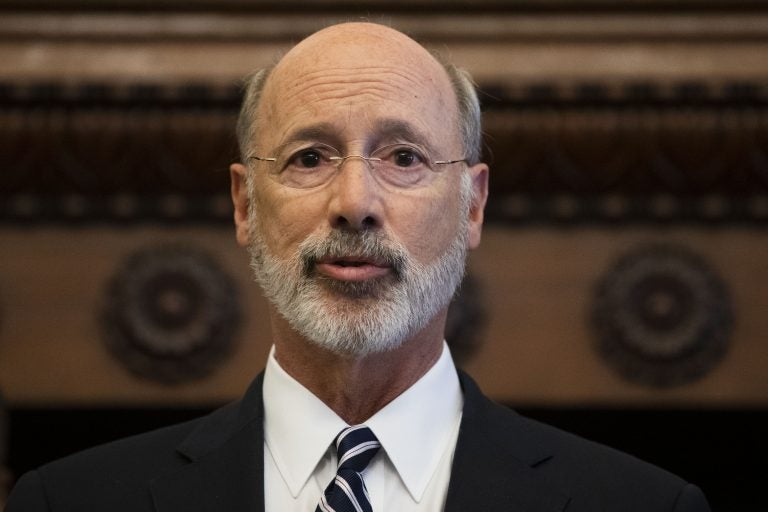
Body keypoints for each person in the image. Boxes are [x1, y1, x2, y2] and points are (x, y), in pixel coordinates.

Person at [6, 22, 710, 512]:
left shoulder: (642, 505)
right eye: (309, 157)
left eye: (404, 157)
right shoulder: (68, 502)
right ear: (245, 203)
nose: (354, 204)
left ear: (472, 205)